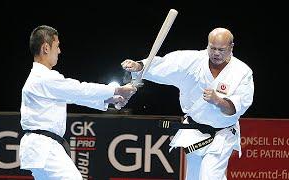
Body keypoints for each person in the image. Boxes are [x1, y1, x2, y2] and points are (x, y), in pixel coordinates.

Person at [121, 27, 254, 180]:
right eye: (213, 48)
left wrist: (218, 101)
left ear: (231, 47)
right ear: (208, 45)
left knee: (209, 176)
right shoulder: (193, 60)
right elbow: (165, 65)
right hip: (194, 130)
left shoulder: (242, 72)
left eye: (222, 49)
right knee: (193, 177)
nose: (216, 53)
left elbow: (237, 108)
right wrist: (140, 66)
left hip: (222, 135)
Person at [19, 25, 136, 180]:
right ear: (46, 48)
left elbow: (74, 97)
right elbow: (79, 90)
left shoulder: (41, 78)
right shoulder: (43, 78)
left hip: (41, 149)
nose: (59, 51)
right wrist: (116, 90)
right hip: (44, 148)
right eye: (57, 46)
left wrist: (108, 99)